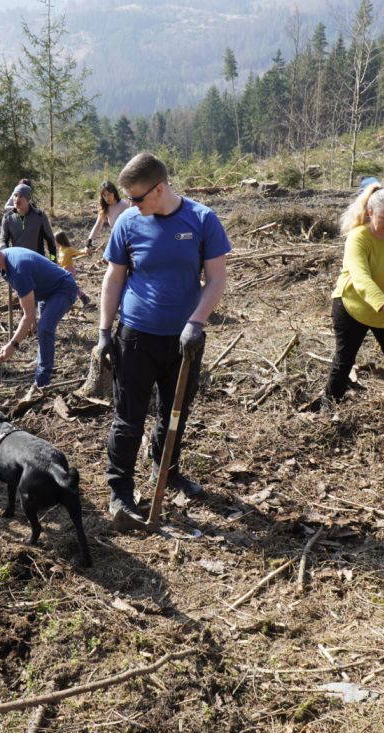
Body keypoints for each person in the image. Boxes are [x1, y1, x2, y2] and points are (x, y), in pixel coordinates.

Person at [97, 152, 230, 531]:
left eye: (137, 198)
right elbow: (114, 277)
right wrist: (105, 331)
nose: (131, 205)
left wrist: (196, 322)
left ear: (159, 189)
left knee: (174, 413)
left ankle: (166, 472)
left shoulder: (202, 220)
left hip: (184, 341)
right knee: (128, 417)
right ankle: (120, 491)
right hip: (136, 336)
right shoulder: (127, 221)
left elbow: (216, 279)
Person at [324, 182, 384, 405]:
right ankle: (328, 407)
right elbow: (361, 278)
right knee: (344, 361)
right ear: (370, 212)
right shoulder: (359, 238)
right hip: (353, 306)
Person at [0, 240, 78, 389]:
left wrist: (13, 345)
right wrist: (32, 318)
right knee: (41, 330)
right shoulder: (3, 263)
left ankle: (42, 382)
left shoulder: (18, 268)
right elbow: (27, 295)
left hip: (63, 288)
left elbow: (26, 315)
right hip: (44, 292)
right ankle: (42, 366)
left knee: (44, 329)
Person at [0, 182, 58, 262]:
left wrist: (53, 261)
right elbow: (3, 241)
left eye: (21, 196)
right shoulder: (8, 217)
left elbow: (51, 241)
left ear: (28, 199)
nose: (17, 199)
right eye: (15, 195)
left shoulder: (39, 215)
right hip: (18, 262)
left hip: (37, 263)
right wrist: (6, 260)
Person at [84, 180, 128, 251]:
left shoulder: (124, 205)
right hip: (115, 241)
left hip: (127, 241)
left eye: (109, 194)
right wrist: (89, 242)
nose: (107, 198)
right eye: (104, 195)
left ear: (114, 193)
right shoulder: (105, 208)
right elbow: (98, 225)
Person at [54, 230, 93, 308]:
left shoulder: (68, 249)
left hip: (69, 271)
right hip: (63, 271)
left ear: (59, 240)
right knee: (70, 287)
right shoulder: (60, 250)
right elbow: (58, 261)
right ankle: (83, 298)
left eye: (55, 240)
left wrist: (86, 250)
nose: (54, 242)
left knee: (69, 287)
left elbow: (79, 252)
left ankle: (81, 299)